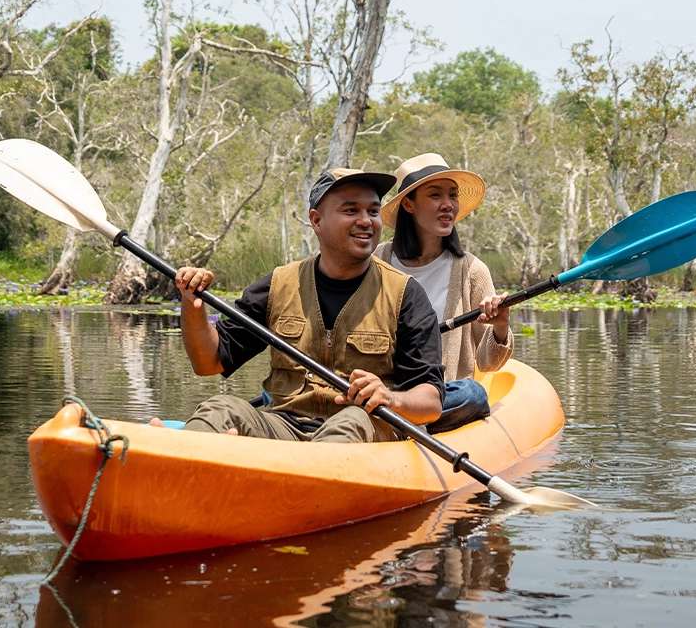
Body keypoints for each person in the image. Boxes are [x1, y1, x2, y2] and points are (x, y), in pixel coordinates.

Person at [171, 168, 444, 442]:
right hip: (284, 426)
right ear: (316, 220)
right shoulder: (278, 284)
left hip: (367, 431)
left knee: (351, 420)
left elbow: (431, 404)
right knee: (222, 408)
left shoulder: (405, 294)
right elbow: (208, 362)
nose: (366, 221)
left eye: (373, 212)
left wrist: (390, 398)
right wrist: (192, 304)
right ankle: (176, 466)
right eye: (351, 211)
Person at [376, 153, 510, 433]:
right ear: (409, 205)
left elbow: (488, 363)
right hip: (382, 389)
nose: (448, 205)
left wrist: (499, 326)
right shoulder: (377, 261)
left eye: (452, 195)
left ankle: (399, 421)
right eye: (435, 195)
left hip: (438, 397)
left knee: (473, 394)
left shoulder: (472, 271)